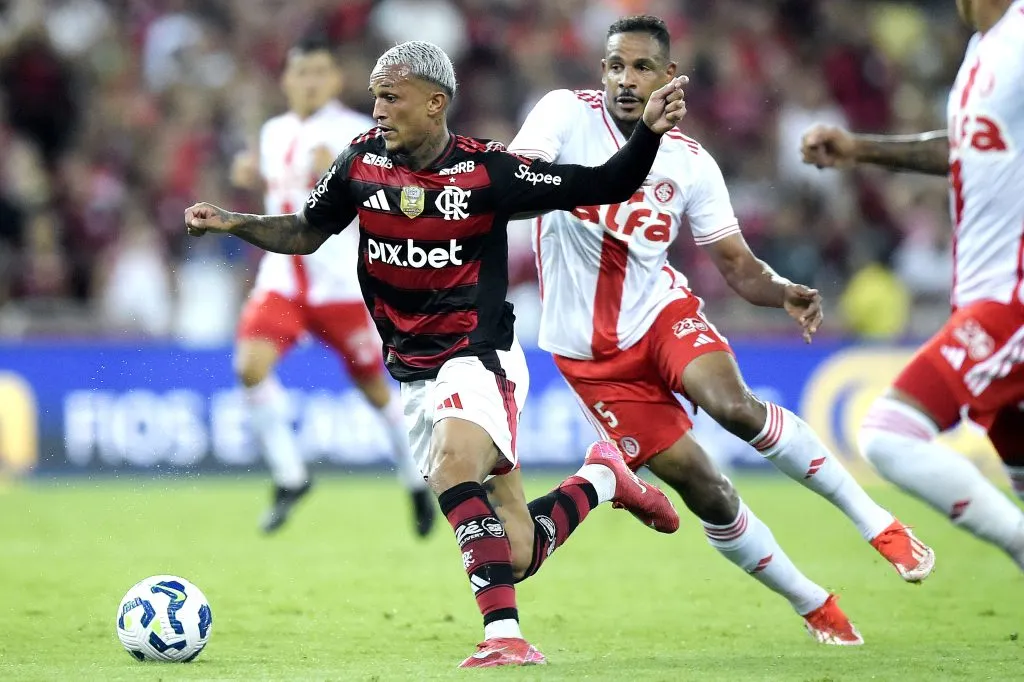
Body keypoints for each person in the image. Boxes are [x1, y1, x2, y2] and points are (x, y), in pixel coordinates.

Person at [186, 41, 685, 668]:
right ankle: (604, 477)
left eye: (391, 97)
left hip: (480, 356)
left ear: (434, 102)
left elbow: (605, 182)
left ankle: (504, 636)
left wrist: (648, 134)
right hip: (416, 374)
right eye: (375, 96)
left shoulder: (488, 171)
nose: (377, 109)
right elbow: (306, 231)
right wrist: (233, 221)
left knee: (453, 470)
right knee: (517, 552)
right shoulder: (361, 164)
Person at [507, 15, 935, 645]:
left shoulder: (689, 163)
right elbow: (514, 181)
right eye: (616, 66)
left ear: (669, 76)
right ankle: (812, 602)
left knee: (734, 407)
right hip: (588, 357)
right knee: (706, 489)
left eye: (642, 67)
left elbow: (737, 264)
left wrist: (782, 290)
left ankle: (879, 524)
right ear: (601, 71)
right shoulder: (563, 115)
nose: (627, 80)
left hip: (660, 315)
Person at [801, 0, 1024, 570]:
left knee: (888, 434)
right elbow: (964, 151)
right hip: (980, 295)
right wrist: (861, 148)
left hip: (1012, 299)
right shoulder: (984, 48)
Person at [227, 37, 435, 536]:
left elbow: (399, 195)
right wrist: (251, 173)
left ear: (337, 79)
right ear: (287, 80)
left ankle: (415, 479)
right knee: (249, 367)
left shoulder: (359, 132)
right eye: (303, 72)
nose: (312, 82)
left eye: (321, 72)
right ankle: (291, 477)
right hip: (283, 281)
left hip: (341, 286)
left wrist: (346, 176)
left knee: (374, 389)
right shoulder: (274, 131)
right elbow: (282, 192)